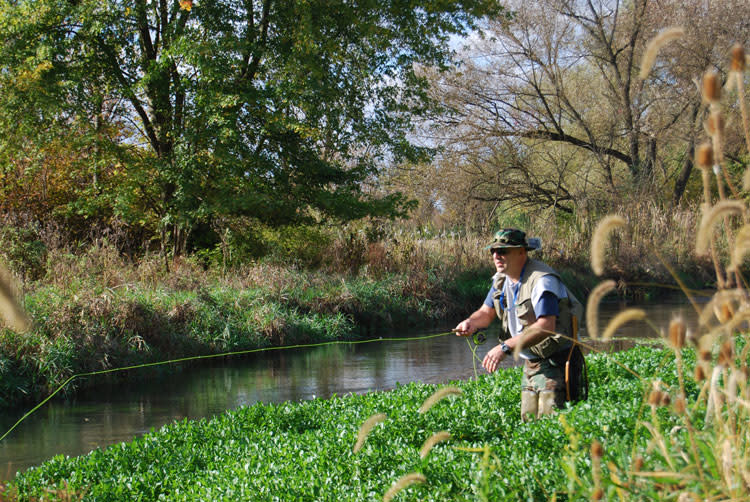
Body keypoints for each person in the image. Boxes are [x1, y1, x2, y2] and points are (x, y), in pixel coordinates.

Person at [455, 228, 587, 420]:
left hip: (558, 362)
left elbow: (546, 326)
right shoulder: (501, 280)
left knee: (553, 426)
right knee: (529, 424)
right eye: (493, 251)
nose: (496, 256)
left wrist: (505, 348)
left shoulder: (543, 281)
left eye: (503, 251)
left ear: (522, 252)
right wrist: (470, 322)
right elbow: (486, 312)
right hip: (531, 363)